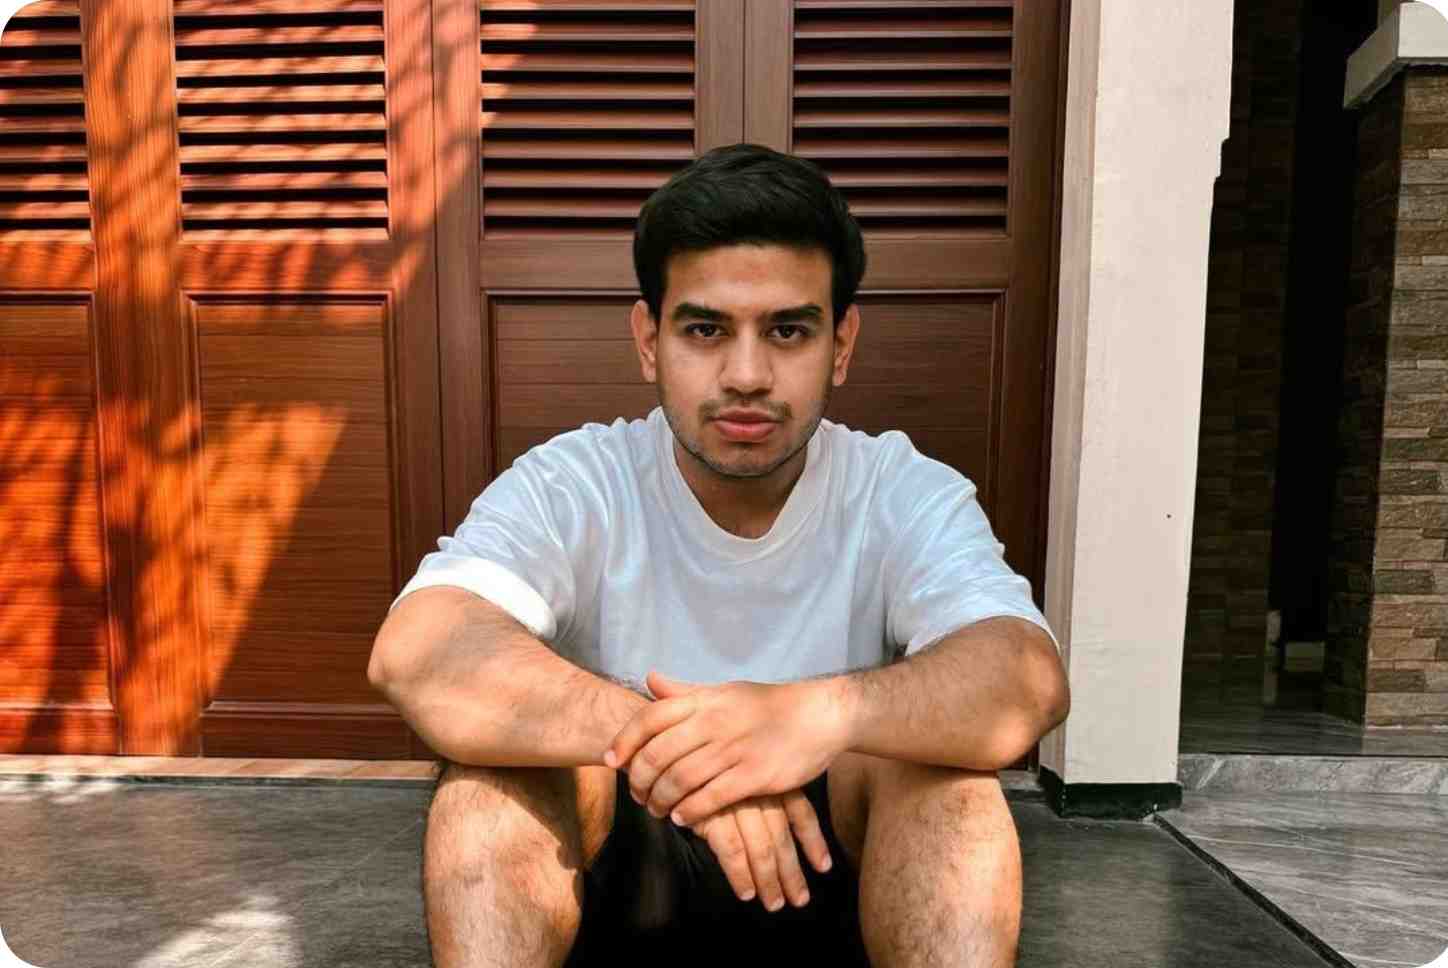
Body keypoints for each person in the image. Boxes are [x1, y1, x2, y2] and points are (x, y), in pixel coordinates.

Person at [368, 143, 1071, 968]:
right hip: (617, 872)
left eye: (788, 330)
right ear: (648, 340)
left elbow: (1025, 680)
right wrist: (686, 750)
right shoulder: (576, 481)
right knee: (487, 791)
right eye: (705, 329)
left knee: (952, 792)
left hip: (838, 873)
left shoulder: (900, 489)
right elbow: (418, 652)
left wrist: (812, 716)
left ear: (842, 343)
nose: (746, 374)